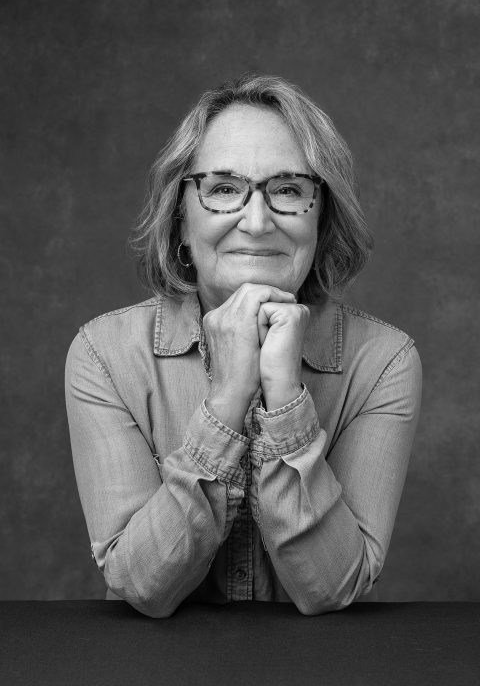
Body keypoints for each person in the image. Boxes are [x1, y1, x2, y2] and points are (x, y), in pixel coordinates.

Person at [65, 73, 422, 618]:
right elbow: (144, 585)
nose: (256, 222)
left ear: (321, 219)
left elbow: (331, 588)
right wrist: (228, 401)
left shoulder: (384, 361)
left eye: (288, 190)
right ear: (180, 217)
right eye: (224, 188)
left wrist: (285, 400)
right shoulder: (102, 354)